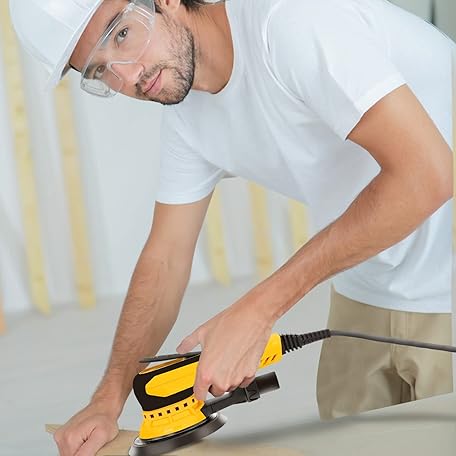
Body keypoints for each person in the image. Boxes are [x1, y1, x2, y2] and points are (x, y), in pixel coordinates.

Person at [10, 0, 455, 454]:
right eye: (99, 71)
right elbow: (165, 257)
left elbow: (429, 175)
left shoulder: (292, 22)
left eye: (121, 34)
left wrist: (257, 311)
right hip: (367, 292)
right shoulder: (188, 115)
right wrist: (107, 400)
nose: (127, 77)